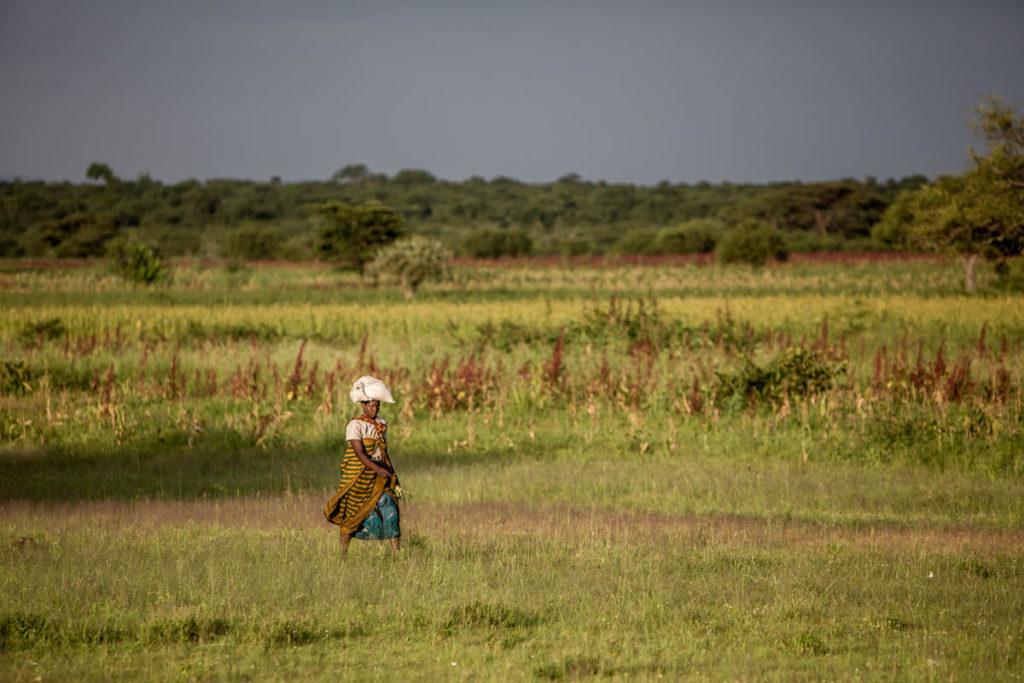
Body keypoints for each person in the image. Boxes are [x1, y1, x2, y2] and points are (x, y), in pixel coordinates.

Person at [324, 375, 403, 556]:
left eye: (377, 405)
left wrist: (391, 474)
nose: (375, 408)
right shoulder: (354, 425)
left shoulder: (381, 425)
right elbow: (359, 454)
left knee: (390, 506)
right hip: (357, 478)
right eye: (371, 405)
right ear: (363, 405)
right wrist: (378, 469)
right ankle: (342, 555)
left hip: (378, 478)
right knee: (352, 516)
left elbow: (383, 452)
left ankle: (398, 555)